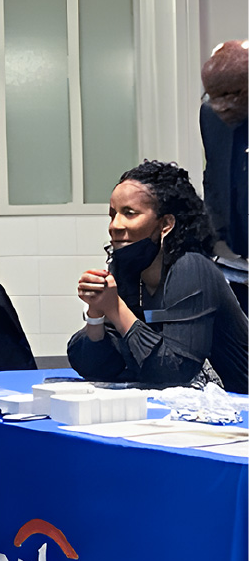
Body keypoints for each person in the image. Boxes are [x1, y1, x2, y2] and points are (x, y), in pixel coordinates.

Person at [69, 160, 248, 394]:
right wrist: (95, 313)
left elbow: (173, 371)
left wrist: (114, 307)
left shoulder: (191, 268)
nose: (115, 225)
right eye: (112, 214)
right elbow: (97, 368)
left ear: (165, 224)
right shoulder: (126, 269)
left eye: (129, 214)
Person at [199, 41, 248, 260]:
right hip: (228, 241)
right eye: (214, 96)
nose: (222, 106)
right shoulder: (210, 115)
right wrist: (216, 235)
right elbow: (215, 173)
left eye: (229, 96)